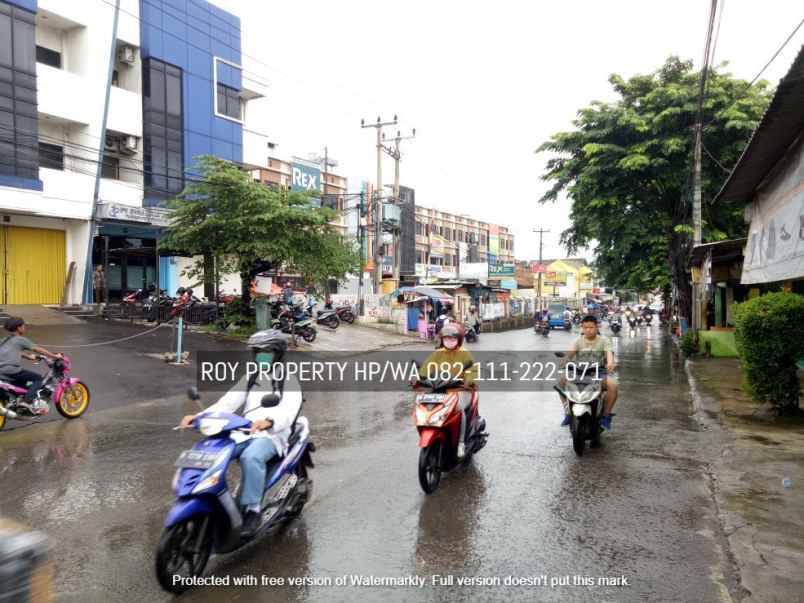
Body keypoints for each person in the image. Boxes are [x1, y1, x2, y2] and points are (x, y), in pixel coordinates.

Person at [179, 330, 301, 537]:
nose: (261, 357)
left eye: (266, 352)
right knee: (213, 450)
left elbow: (290, 410)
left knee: (251, 457)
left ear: (278, 354)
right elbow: (227, 403)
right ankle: (208, 496)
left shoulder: (288, 380)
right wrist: (199, 416)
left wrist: (270, 421)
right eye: (257, 353)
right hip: (245, 430)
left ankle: (253, 510)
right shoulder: (251, 376)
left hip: (272, 435)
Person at [418, 323, 478, 459]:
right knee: (428, 405)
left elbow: (472, 369)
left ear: (459, 340)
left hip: (461, 389)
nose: (449, 342)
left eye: (452, 339)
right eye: (446, 339)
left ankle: (461, 443)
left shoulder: (464, 353)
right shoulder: (438, 353)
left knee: (458, 409)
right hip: (441, 387)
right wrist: (418, 377)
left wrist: (468, 380)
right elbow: (427, 366)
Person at [559, 315, 619, 430]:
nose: (588, 330)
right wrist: (564, 361)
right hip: (579, 372)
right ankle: (567, 411)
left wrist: (611, 363)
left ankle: (606, 415)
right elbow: (569, 354)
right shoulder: (578, 341)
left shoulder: (604, 341)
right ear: (582, 328)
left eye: (591, 327)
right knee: (561, 381)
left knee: (613, 385)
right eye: (585, 327)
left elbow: (609, 353)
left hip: (598, 372)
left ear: (597, 327)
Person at [0, 318, 63, 403]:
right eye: (23, 326)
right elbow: (38, 349)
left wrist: (28, 357)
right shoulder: (20, 339)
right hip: (11, 370)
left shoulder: (4, 340)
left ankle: (19, 401)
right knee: (38, 379)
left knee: (22, 384)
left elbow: (11, 351)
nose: (24, 327)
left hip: (2, 371)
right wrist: (55, 356)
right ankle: (28, 400)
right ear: (19, 328)